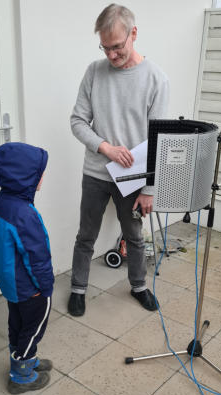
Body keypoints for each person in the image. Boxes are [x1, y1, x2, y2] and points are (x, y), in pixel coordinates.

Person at [68, 4, 169, 317]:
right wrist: (105, 147)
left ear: (133, 34)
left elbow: (158, 141)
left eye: (117, 47)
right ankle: (78, 289)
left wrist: (149, 190)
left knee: (135, 236)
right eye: (105, 47)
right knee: (86, 235)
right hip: (96, 172)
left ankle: (138, 285)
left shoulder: (156, 80)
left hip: (134, 179)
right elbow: (77, 121)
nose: (111, 55)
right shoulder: (94, 72)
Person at [0, 142, 54, 395]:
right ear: (25, 176)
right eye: (39, 172)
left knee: (17, 322)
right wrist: (45, 287)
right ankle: (21, 374)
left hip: (10, 282)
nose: (42, 176)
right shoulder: (23, 213)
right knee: (33, 327)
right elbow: (36, 257)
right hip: (29, 286)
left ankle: (27, 358)